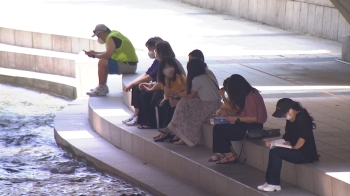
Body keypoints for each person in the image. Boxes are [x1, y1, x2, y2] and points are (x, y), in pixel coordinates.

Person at [257, 98, 318, 192]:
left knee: (276, 153)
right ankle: (269, 181)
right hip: (296, 150)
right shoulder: (290, 120)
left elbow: (303, 138)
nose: (284, 116)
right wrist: (273, 143)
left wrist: (294, 148)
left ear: (291, 110)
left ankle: (274, 183)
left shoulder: (302, 117)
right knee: (274, 150)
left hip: (304, 154)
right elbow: (287, 138)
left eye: (284, 114)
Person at [159, 59, 221, 146]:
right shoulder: (204, 77)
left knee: (184, 104)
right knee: (184, 102)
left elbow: (190, 95)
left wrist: (176, 93)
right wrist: (180, 87)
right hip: (214, 105)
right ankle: (176, 130)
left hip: (209, 106)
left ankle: (173, 126)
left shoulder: (197, 79)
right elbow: (190, 93)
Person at [208, 74, 267, 163]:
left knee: (219, 129)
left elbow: (253, 118)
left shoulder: (250, 97)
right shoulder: (251, 93)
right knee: (220, 126)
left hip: (253, 128)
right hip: (249, 124)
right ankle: (226, 153)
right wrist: (233, 117)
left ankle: (229, 154)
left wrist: (235, 119)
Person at [136, 41, 185, 129]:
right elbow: (161, 82)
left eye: (156, 51)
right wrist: (148, 85)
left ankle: (150, 123)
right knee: (142, 91)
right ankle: (143, 120)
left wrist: (149, 88)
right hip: (167, 87)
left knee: (146, 95)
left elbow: (161, 84)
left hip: (175, 90)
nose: (155, 53)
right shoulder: (163, 62)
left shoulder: (168, 63)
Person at [85, 24, 138, 96]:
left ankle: (101, 87)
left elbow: (107, 56)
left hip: (129, 66)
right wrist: (94, 53)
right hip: (130, 64)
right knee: (103, 61)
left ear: (104, 32)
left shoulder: (111, 38)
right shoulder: (113, 35)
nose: (99, 38)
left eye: (99, 35)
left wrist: (94, 55)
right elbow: (109, 53)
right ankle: (102, 86)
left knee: (102, 62)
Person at [122, 37, 163, 126]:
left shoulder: (163, 61)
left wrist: (133, 83)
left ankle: (140, 117)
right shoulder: (157, 60)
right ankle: (136, 114)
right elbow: (147, 73)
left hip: (160, 86)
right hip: (154, 84)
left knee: (141, 89)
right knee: (136, 86)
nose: (150, 52)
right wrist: (133, 83)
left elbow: (149, 77)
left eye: (151, 49)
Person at [152, 57, 187, 142]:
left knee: (169, 104)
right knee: (165, 103)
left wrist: (175, 93)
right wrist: (167, 82)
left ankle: (168, 132)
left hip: (183, 98)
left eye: (170, 66)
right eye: (165, 67)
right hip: (173, 98)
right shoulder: (166, 79)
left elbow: (187, 92)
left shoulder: (180, 77)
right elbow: (167, 95)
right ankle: (165, 130)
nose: (168, 69)